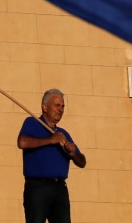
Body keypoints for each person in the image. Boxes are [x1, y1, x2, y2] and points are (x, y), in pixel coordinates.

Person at [17, 88, 86, 223]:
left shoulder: (63, 133)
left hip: (60, 189)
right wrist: (50, 140)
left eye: (62, 106)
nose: (60, 109)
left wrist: (72, 153)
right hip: (38, 187)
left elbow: (82, 162)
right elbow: (22, 142)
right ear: (44, 107)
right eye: (57, 105)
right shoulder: (32, 123)